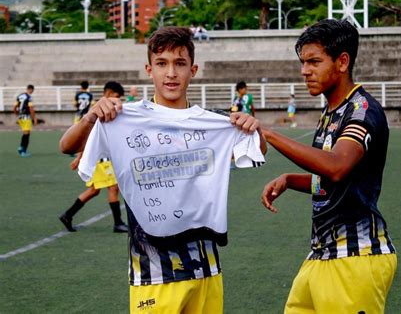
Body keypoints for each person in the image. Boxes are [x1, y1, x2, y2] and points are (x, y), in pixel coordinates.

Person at [59, 27, 266, 314]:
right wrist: (92, 116)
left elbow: (256, 151)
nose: (171, 73)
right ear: (149, 69)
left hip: (207, 270)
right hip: (153, 275)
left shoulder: (212, 123)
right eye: (162, 63)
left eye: (180, 64)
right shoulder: (123, 119)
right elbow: (66, 144)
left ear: (193, 70)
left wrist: (253, 129)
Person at [260, 19, 397, 313]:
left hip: (356, 258)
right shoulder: (331, 112)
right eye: (302, 62)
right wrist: (289, 179)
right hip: (322, 253)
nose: (304, 70)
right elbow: (329, 180)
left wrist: (269, 134)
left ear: (342, 61)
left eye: (314, 61)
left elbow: (336, 166)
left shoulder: (361, 109)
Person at [59, 81, 128, 234]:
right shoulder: (100, 109)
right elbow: (87, 137)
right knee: (113, 187)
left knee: (94, 190)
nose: (118, 100)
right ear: (108, 94)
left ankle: (67, 215)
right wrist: (80, 158)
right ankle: (118, 223)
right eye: (116, 96)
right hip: (100, 160)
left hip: (102, 159)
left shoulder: (102, 108)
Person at [13, 84, 37, 157]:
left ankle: (22, 148)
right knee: (27, 134)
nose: (32, 92)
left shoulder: (20, 96)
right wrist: (34, 118)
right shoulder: (29, 97)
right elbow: (31, 108)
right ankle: (22, 150)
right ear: (31, 89)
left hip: (20, 117)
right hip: (26, 117)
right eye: (32, 90)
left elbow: (14, 107)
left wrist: (17, 114)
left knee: (25, 133)